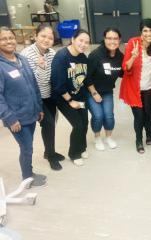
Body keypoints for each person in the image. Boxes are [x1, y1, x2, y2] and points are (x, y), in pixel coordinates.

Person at [0, 27, 46, 187]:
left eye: (11, 38)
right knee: (26, 148)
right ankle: (27, 177)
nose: (8, 41)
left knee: (28, 146)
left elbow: (34, 85)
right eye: (3, 39)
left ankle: (29, 174)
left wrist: (39, 107)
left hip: (31, 112)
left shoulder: (22, 59)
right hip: (16, 118)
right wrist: (10, 118)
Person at [21, 24, 65, 171]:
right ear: (36, 35)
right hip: (36, 97)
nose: (46, 40)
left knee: (52, 123)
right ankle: (51, 155)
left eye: (50, 37)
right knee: (49, 124)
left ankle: (48, 151)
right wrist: (40, 67)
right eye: (43, 36)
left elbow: (52, 76)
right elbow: (31, 82)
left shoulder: (51, 53)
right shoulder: (26, 54)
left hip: (49, 95)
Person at [119, 18, 151, 154]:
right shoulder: (133, 43)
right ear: (141, 32)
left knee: (147, 115)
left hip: (149, 88)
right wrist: (133, 56)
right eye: (145, 31)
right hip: (133, 88)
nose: (148, 34)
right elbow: (126, 67)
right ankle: (138, 140)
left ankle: (149, 133)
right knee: (139, 117)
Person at [51, 29, 90, 166]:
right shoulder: (61, 57)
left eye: (86, 42)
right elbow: (58, 84)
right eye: (81, 40)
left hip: (79, 95)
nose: (83, 44)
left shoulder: (83, 57)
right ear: (73, 39)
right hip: (63, 97)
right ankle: (74, 153)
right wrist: (70, 101)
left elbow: (83, 79)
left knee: (85, 123)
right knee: (78, 125)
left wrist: (84, 98)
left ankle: (82, 147)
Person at [85, 27, 124, 151]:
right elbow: (87, 76)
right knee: (98, 115)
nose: (112, 41)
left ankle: (108, 137)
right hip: (91, 90)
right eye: (109, 38)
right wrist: (94, 92)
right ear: (104, 39)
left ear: (119, 40)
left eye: (115, 38)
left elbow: (124, 73)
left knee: (109, 116)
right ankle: (97, 137)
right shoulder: (95, 55)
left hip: (107, 91)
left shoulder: (120, 56)